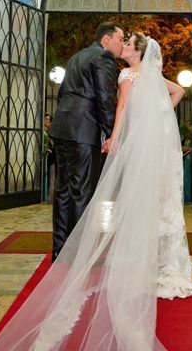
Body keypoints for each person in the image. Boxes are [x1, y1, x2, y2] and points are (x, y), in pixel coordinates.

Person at [0, 33, 192, 351]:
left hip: (137, 144)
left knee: (130, 197)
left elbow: (124, 107)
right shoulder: (154, 75)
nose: (123, 47)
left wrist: (115, 138)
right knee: (156, 201)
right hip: (155, 147)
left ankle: (127, 257)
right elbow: (179, 91)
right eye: (122, 42)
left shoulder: (127, 74)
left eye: (128, 44)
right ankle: (160, 262)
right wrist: (159, 116)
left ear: (138, 52)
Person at [48, 22, 124, 262]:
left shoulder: (76, 57)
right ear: (107, 39)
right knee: (82, 192)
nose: (122, 44)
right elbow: (105, 97)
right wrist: (112, 133)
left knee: (62, 191)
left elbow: (62, 94)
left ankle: (60, 250)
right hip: (83, 131)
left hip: (61, 128)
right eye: (121, 39)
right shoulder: (103, 58)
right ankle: (79, 254)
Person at [43, 114, 56, 202]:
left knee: (51, 178)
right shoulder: (44, 132)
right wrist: (46, 149)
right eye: (46, 119)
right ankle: (49, 197)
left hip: (51, 156)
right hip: (47, 156)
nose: (48, 121)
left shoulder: (49, 131)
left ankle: (50, 197)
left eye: (49, 119)